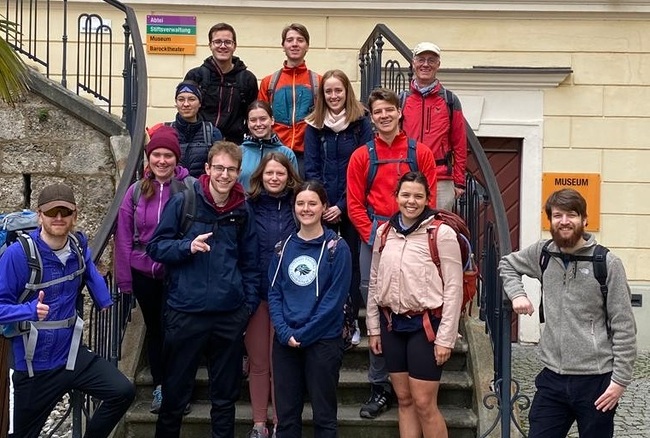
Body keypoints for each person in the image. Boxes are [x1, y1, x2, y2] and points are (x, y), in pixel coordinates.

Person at [499, 188, 637, 438]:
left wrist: (619, 382)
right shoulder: (543, 253)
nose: (564, 221)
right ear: (550, 220)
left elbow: (624, 326)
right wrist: (517, 294)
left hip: (596, 381)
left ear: (584, 220)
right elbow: (507, 264)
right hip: (552, 378)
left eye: (571, 215)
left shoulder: (606, 263)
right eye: (557, 215)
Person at [0, 183, 135, 438]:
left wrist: (104, 300)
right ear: (40, 215)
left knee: (122, 392)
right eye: (52, 213)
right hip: (33, 367)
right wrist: (28, 311)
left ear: (75, 215)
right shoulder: (18, 255)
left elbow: (89, 271)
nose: (59, 218)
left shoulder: (77, 247)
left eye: (65, 212)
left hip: (72, 357)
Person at [147, 141, 260, 438]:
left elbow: (250, 263)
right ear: (208, 169)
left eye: (231, 170)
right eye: (219, 168)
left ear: (238, 173)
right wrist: (187, 247)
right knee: (174, 396)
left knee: (225, 398)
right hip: (186, 313)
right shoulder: (184, 201)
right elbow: (156, 247)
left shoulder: (243, 210)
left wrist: (245, 307)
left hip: (228, 316)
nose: (224, 175)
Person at [347, 87, 438, 419]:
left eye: (389, 110)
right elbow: (354, 203)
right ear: (371, 118)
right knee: (376, 306)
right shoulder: (361, 156)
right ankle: (378, 386)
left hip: (414, 236)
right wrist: (375, 235)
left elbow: (430, 199)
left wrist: (416, 234)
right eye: (377, 112)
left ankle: (419, 383)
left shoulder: (421, 153)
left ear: (400, 112)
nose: (384, 116)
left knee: (415, 303)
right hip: (375, 235)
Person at [367, 171, 463, 438]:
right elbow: (374, 281)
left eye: (418, 196)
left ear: (427, 199)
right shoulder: (384, 232)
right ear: (396, 197)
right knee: (404, 400)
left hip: (426, 325)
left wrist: (446, 338)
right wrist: (373, 328)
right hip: (391, 324)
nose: (411, 201)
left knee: (424, 403)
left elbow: (454, 289)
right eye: (406, 195)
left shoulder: (441, 233)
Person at [115, 126, 192, 413]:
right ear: (149, 158)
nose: (162, 161)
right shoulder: (136, 192)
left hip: (178, 271)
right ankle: (162, 387)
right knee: (157, 331)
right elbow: (123, 235)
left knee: (179, 330)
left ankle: (179, 387)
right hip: (144, 272)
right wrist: (125, 279)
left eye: (168, 155)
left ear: (176, 159)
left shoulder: (189, 188)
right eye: (156, 155)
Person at [268, 180, 351, 438]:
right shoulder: (282, 248)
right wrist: (283, 332)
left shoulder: (338, 248)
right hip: (285, 342)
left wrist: (304, 333)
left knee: (324, 418)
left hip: (323, 341)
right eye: (300, 203)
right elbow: (274, 292)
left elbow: (334, 300)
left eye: (312, 203)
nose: (306, 208)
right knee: (287, 418)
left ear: (323, 207)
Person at [304, 69, 373, 345]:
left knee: (352, 264)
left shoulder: (361, 122)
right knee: (321, 263)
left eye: (338, 90)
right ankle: (322, 320)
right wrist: (322, 205)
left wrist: (342, 206)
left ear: (347, 92)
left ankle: (350, 322)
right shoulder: (313, 125)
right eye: (328, 91)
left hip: (353, 205)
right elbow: (311, 167)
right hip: (322, 206)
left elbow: (365, 167)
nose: (333, 96)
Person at [245, 152, 302, 438]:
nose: (275, 178)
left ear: (289, 176)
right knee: (258, 362)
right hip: (257, 294)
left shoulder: (299, 206)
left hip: (289, 297)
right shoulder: (249, 206)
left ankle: (281, 422)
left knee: (280, 363)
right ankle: (258, 423)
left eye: (280, 173)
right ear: (260, 177)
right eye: (269, 173)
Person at [401, 42, 467, 210]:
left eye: (431, 60)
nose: (425, 64)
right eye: (421, 59)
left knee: (437, 229)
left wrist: (459, 181)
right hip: (408, 175)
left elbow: (459, 143)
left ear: (438, 64)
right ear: (413, 63)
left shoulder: (449, 100)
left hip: (441, 177)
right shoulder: (402, 100)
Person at [258, 23, 321, 171]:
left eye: (300, 40)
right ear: (283, 45)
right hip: (275, 152)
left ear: (307, 46)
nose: (294, 44)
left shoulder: (319, 81)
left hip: (308, 154)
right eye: (290, 40)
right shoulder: (269, 82)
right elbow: (260, 117)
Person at [184, 22, 258, 144]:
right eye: (217, 42)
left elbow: (252, 115)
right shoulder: (195, 76)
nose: (222, 46)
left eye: (228, 42)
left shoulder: (247, 79)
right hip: (199, 143)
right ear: (210, 45)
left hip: (234, 145)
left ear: (235, 46)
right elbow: (184, 110)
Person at [161, 80, 223, 177]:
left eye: (191, 99)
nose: (186, 104)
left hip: (202, 190)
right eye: (181, 99)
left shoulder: (211, 132)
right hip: (173, 189)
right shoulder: (166, 131)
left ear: (199, 103)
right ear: (176, 103)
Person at [239, 100, 298, 191]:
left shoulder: (287, 154)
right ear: (247, 123)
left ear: (272, 120)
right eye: (253, 120)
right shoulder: (238, 152)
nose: (258, 124)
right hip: (244, 204)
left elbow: (293, 187)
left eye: (263, 119)